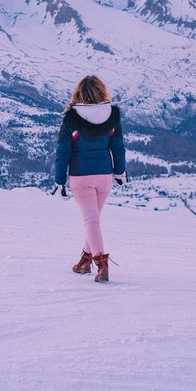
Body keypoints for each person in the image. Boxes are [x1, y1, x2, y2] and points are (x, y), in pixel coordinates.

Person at [52, 75, 126, 283]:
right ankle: (84, 261)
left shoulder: (71, 119)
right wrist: (120, 172)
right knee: (92, 220)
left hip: (80, 176)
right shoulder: (112, 116)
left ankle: (101, 265)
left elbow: (62, 153)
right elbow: (118, 148)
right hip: (105, 175)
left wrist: (60, 181)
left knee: (90, 220)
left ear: (79, 93)